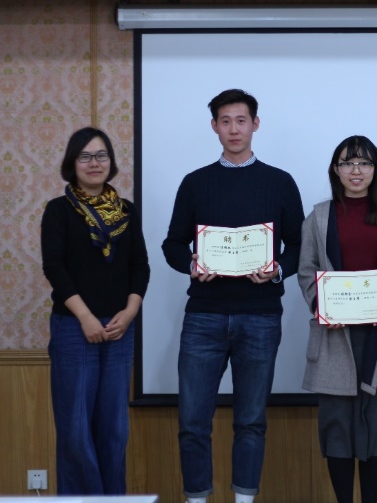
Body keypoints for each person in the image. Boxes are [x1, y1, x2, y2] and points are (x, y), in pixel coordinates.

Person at [161, 89, 304, 503]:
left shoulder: (280, 182)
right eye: (225, 121)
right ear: (214, 127)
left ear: (255, 124)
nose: (234, 129)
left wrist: (277, 269)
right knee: (192, 422)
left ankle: (244, 499)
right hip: (204, 315)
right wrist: (190, 264)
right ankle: (196, 498)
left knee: (251, 421)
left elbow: (298, 245)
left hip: (260, 315)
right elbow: (172, 244)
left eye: (241, 120)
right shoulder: (195, 183)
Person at [297, 135, 377, 503]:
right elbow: (307, 271)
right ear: (335, 170)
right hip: (335, 337)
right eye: (347, 162)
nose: (356, 170)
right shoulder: (318, 218)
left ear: (375, 170)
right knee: (337, 429)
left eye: (364, 163)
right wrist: (322, 304)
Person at [41, 127, 150, 495]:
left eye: (101, 155)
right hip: (74, 329)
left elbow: (140, 266)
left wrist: (131, 311)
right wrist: (86, 318)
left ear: (111, 162)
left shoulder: (127, 210)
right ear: (72, 163)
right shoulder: (58, 210)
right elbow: (54, 268)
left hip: (120, 329)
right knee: (75, 430)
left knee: (114, 430)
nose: (94, 163)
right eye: (85, 156)